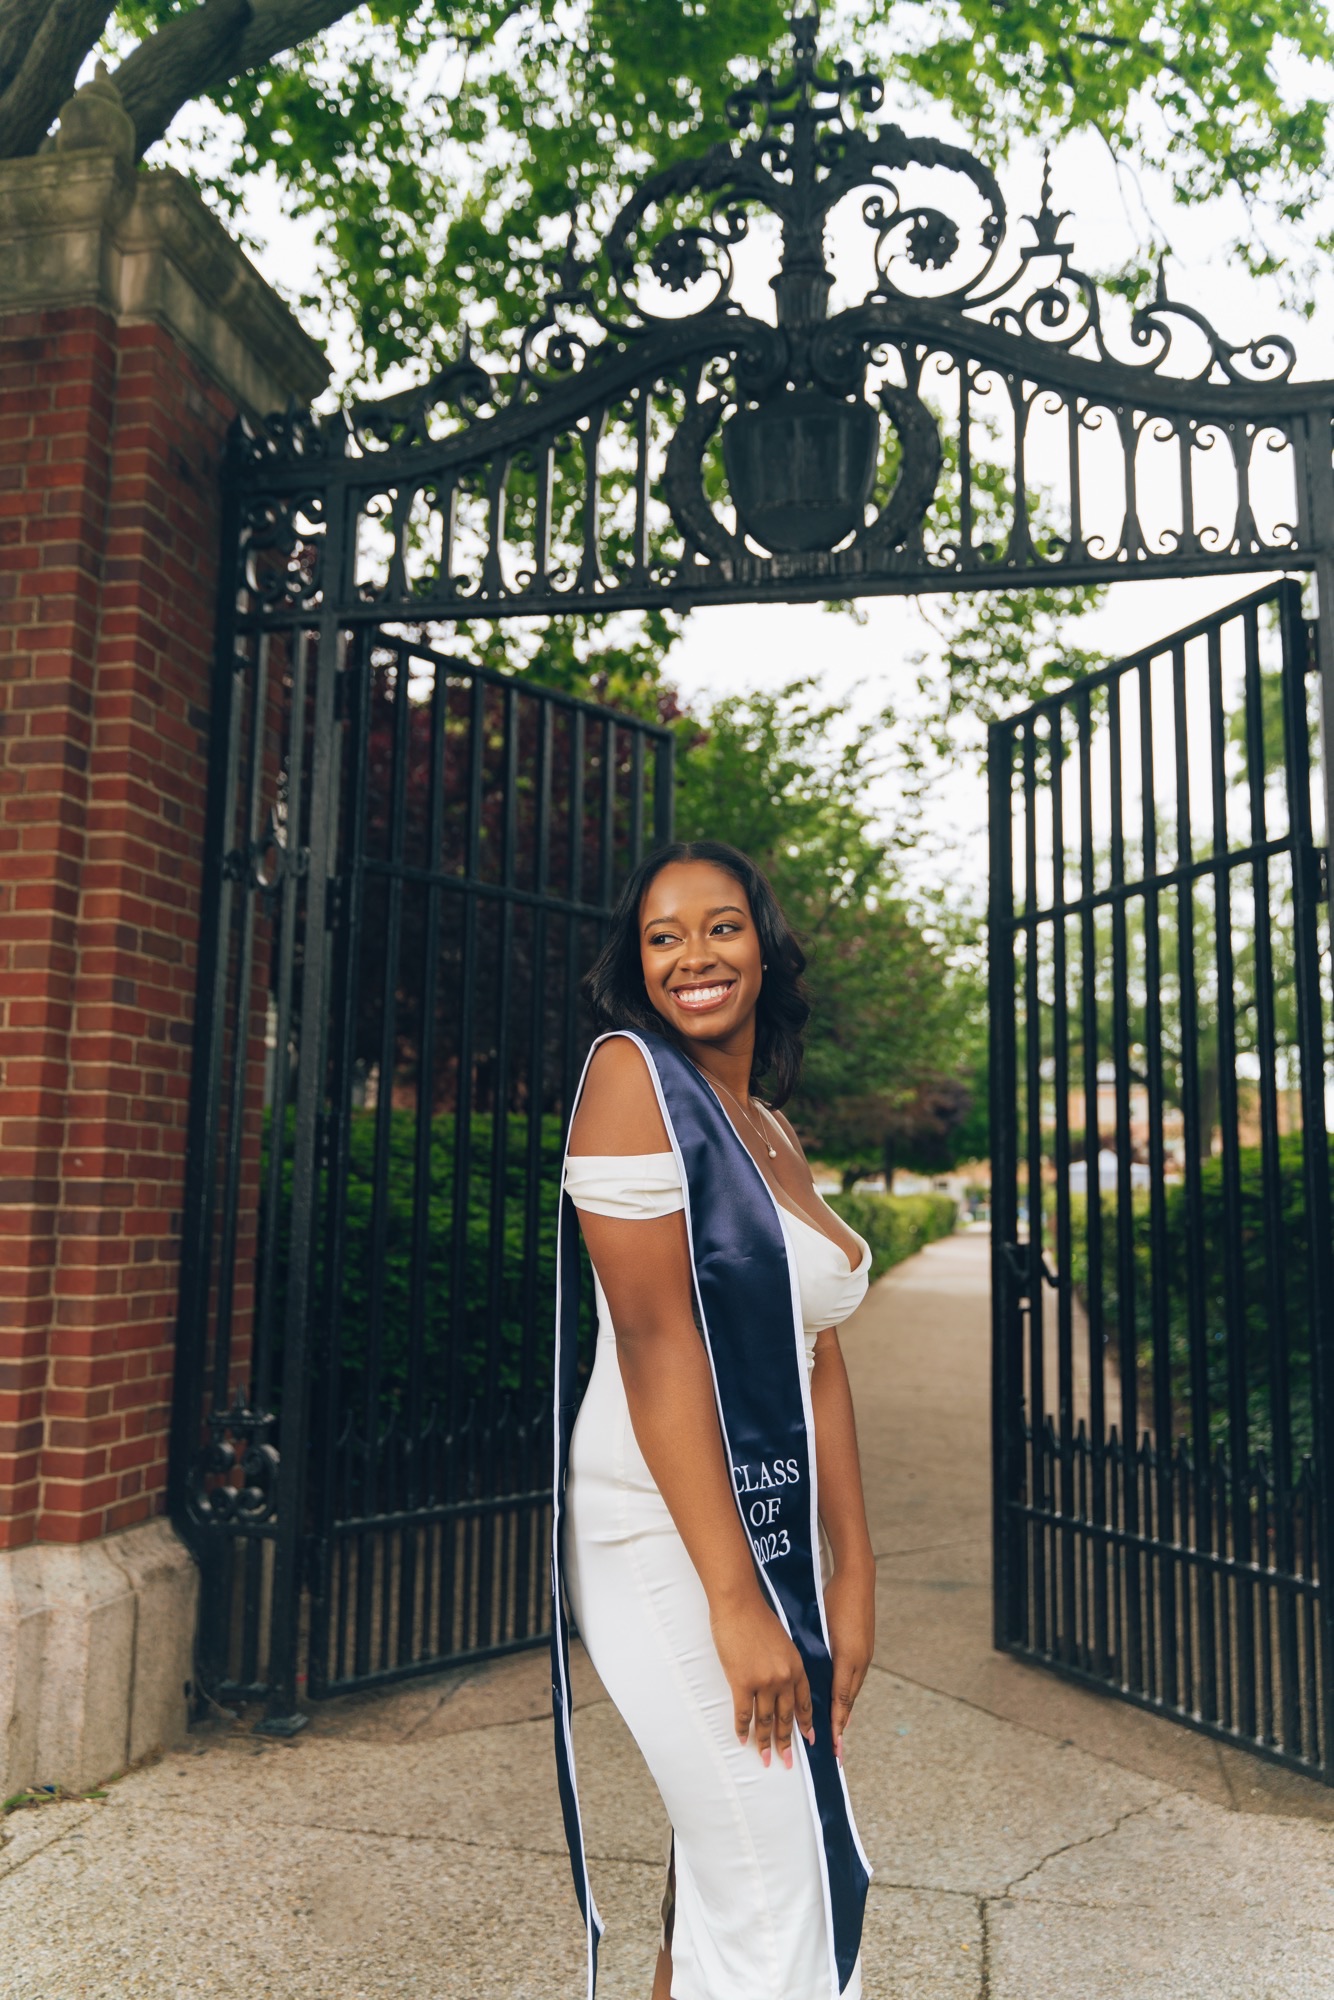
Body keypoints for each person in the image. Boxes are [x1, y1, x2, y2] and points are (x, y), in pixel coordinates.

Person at [550, 839, 876, 2000]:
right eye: (663, 935)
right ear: (636, 964)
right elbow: (655, 1340)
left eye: (720, 925)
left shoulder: (769, 1127)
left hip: (767, 1524)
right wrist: (736, 1602)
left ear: (763, 946)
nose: (693, 954)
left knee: (727, 1873)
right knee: (775, 1885)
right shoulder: (631, 1079)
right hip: (659, 1528)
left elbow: (815, 1351)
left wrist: (852, 1566)